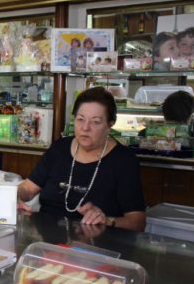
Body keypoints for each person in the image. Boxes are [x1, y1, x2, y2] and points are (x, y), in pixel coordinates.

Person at [18, 87, 147, 232]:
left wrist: (107, 220)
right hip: (48, 244)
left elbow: (137, 221)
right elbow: (28, 189)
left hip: (94, 246)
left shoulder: (123, 161)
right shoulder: (59, 149)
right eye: (80, 119)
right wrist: (15, 197)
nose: (85, 128)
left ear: (110, 124)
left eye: (96, 122)